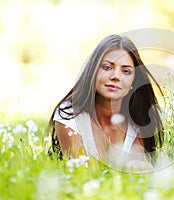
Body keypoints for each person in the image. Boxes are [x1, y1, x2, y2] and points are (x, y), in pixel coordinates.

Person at [48, 34, 164, 169]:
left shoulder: (140, 121)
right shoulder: (69, 117)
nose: (116, 76)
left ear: (134, 80)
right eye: (107, 67)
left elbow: (138, 176)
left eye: (126, 71)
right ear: (93, 71)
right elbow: (80, 174)